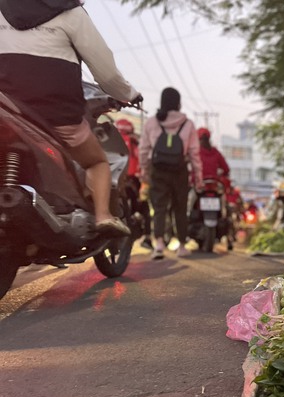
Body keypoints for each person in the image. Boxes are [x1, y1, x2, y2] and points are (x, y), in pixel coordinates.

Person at [0, 0, 141, 237]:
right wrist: (129, 94)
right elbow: (106, 74)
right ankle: (103, 216)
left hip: (8, 109)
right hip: (57, 118)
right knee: (97, 162)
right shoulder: (72, 13)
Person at [139, 87, 203, 259]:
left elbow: (144, 150)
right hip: (180, 170)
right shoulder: (187, 124)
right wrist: (198, 178)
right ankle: (182, 246)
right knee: (180, 208)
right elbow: (194, 154)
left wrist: (144, 171)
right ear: (178, 103)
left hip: (157, 169)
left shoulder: (152, 122)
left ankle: (159, 244)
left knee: (159, 207)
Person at [115, 119, 152, 249]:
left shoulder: (109, 140)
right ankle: (148, 238)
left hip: (114, 179)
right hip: (134, 180)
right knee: (145, 208)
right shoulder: (135, 142)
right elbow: (144, 161)